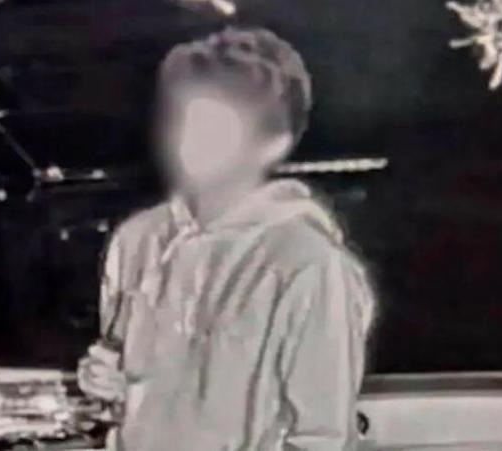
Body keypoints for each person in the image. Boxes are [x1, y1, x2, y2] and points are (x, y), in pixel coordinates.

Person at [78, 26, 375, 451]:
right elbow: (128, 390)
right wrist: (107, 383)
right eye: (184, 119)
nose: (189, 140)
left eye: (216, 126)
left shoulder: (308, 263)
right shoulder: (137, 240)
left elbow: (323, 437)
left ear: (273, 143)